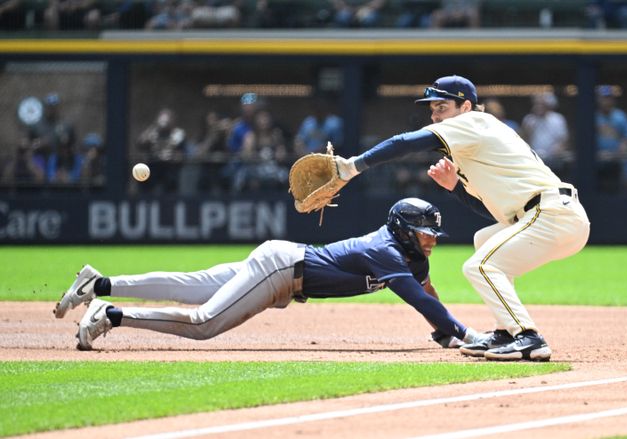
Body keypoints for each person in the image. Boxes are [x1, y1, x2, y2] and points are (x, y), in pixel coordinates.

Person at [332, 75, 591, 361]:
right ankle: (505, 331)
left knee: (479, 266)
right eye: (432, 109)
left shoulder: (475, 122)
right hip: (548, 215)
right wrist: (455, 187)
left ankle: (528, 338)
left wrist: (352, 167)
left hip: (552, 213)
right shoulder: (472, 148)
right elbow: (493, 212)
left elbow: (403, 142)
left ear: (466, 106)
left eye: (442, 107)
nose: (434, 115)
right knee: (483, 240)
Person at [54, 198, 493, 352]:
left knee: (191, 286)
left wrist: (445, 332)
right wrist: (468, 335)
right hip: (283, 270)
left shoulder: (411, 253)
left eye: (432, 233)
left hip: (283, 264)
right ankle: (110, 314)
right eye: (424, 232)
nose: (431, 239)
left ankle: (96, 284)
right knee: (205, 323)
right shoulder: (386, 250)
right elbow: (419, 299)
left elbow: (427, 291)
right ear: (404, 230)